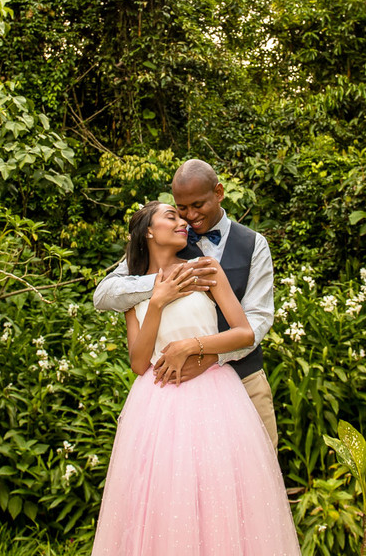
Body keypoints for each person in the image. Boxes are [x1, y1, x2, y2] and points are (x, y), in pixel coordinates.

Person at [91, 201, 299, 555]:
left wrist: (193, 347)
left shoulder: (205, 269)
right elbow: (139, 363)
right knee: (163, 500)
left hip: (216, 397)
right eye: (170, 215)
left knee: (225, 495)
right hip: (156, 406)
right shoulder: (132, 288)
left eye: (183, 212)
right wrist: (158, 299)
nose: (182, 220)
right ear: (148, 232)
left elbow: (246, 332)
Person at [93, 159, 278, 446]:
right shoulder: (169, 238)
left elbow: (258, 318)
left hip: (242, 379)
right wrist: (167, 283)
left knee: (256, 468)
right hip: (170, 394)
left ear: (218, 193)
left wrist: (209, 357)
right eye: (181, 208)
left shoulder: (254, 244)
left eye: (198, 205)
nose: (189, 217)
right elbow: (106, 294)